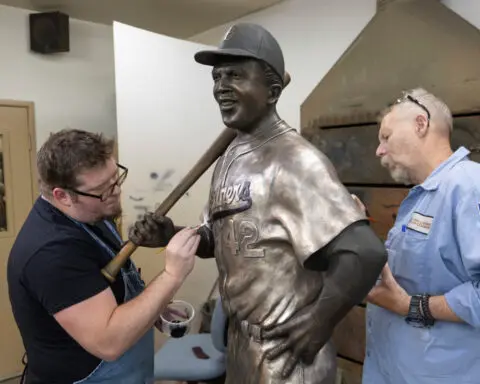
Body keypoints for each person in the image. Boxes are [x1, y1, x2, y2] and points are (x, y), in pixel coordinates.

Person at [128, 23, 387, 383]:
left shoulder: (296, 161)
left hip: (287, 356)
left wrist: (317, 322)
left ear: (272, 90)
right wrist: (173, 234)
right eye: (217, 77)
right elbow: (223, 239)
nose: (221, 87)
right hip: (240, 345)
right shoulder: (229, 157)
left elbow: (364, 253)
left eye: (235, 75)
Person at [7, 129, 200, 384]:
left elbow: (106, 289)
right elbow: (109, 342)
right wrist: (172, 276)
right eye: (102, 190)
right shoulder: (51, 253)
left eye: (115, 178)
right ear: (62, 196)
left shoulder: (89, 215)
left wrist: (153, 309)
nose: (116, 192)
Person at [359, 88, 480, 383]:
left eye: (385, 137)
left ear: (420, 124)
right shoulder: (421, 197)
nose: (379, 150)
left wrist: (411, 306)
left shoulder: (468, 187)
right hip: (391, 369)